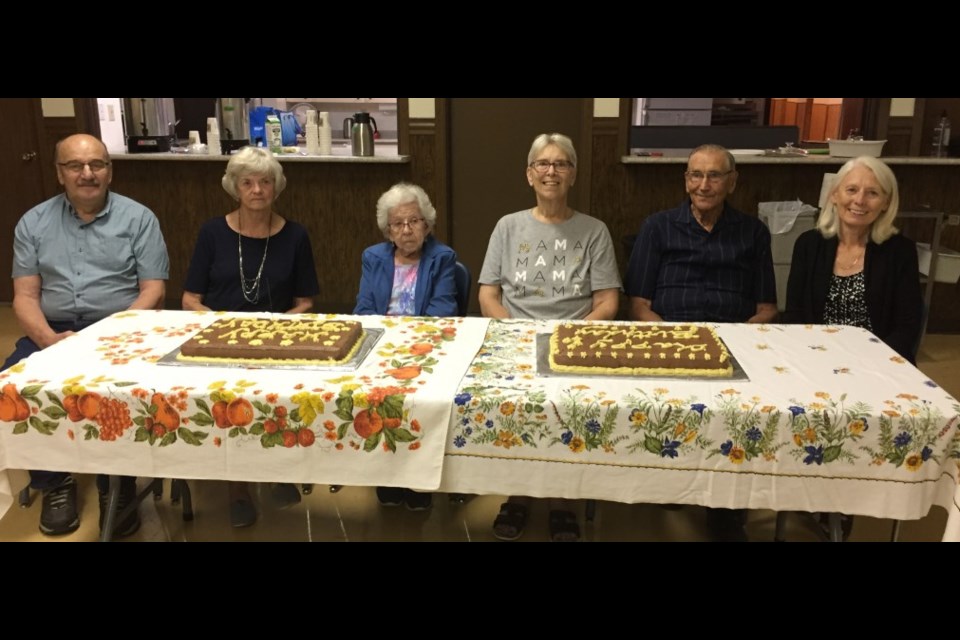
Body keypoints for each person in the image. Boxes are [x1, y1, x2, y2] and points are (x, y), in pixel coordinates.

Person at [3, 133, 169, 537]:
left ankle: (119, 483)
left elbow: (153, 290)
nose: (88, 174)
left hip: (123, 331)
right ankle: (53, 482)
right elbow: (24, 296)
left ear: (110, 171)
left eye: (97, 164)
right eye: (76, 166)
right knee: (15, 388)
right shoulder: (34, 222)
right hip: (53, 332)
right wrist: (46, 340)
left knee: (131, 393)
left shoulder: (139, 218)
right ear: (60, 174)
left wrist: (112, 337)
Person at [624, 144, 778, 542]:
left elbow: (766, 308)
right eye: (695, 175)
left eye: (714, 176)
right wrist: (673, 340)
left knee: (739, 416)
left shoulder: (753, 232)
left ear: (732, 182)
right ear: (685, 180)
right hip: (671, 338)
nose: (703, 184)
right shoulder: (657, 227)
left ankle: (726, 509)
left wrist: (736, 342)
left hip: (736, 341)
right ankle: (673, 480)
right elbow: (638, 304)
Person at [478, 133, 622, 541]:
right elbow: (488, 293)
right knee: (516, 411)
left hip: (573, 343)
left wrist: (571, 340)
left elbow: (608, 301)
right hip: (515, 338)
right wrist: (514, 333)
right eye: (543, 164)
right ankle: (519, 495)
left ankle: (562, 500)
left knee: (569, 412)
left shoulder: (594, 231)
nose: (551, 172)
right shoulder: (508, 227)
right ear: (529, 174)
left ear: (573, 174)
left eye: (561, 164)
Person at [182, 146, 319, 527]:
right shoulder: (212, 232)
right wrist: (223, 328)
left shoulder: (295, 235)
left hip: (278, 338)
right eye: (248, 182)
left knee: (278, 392)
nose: (257, 190)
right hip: (218, 337)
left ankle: (275, 470)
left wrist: (273, 330)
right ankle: (238, 488)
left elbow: (306, 302)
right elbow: (190, 299)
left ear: (276, 188)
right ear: (234, 188)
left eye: (265, 182)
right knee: (229, 398)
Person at [354, 182, 457, 511]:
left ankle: (417, 481)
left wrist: (408, 347)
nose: (407, 230)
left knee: (418, 404)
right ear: (388, 230)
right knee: (373, 400)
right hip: (382, 347)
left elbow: (442, 312)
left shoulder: (442, 257)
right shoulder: (373, 257)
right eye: (398, 223)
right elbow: (364, 309)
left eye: (414, 221)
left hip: (425, 349)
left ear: (427, 225)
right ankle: (386, 474)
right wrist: (385, 348)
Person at [785, 156, 921, 362]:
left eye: (872, 193)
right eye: (851, 190)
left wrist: (867, 361)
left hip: (880, 361)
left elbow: (907, 326)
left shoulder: (901, 251)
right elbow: (794, 315)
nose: (860, 200)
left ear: (886, 203)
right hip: (816, 356)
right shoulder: (808, 244)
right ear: (834, 195)